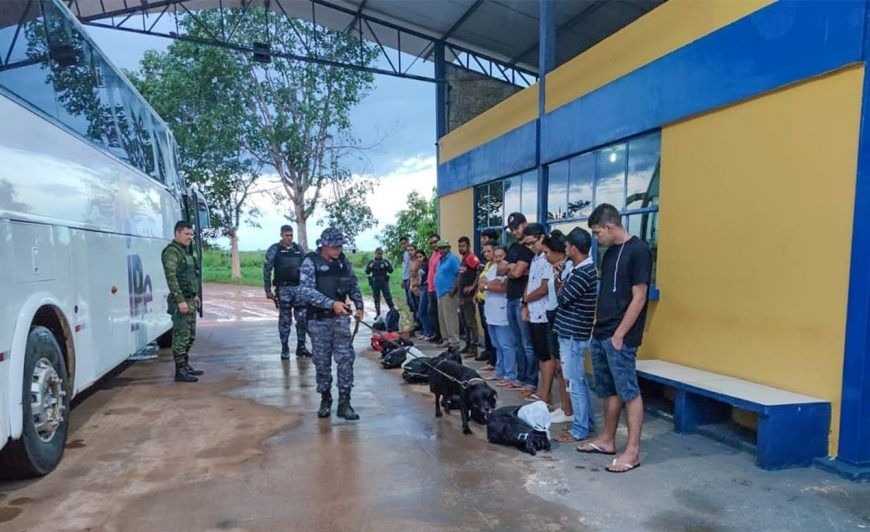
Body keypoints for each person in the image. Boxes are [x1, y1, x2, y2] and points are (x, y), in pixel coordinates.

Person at [578, 204, 652, 473]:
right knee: (607, 389)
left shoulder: (639, 250)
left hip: (621, 336)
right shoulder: (609, 254)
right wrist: (598, 323)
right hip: (602, 332)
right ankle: (608, 440)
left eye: (598, 233)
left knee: (629, 391)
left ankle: (632, 451)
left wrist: (620, 334)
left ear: (610, 226)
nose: (596, 238)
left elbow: (640, 296)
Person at [296, 227, 365, 420]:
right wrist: (331, 304)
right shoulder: (311, 262)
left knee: (345, 359)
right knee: (322, 362)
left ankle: (345, 402)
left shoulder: (343, 262)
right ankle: (325, 399)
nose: (338, 250)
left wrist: (359, 305)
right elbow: (306, 291)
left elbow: (353, 284)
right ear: (324, 245)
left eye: (340, 246)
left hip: (340, 320)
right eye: (334, 246)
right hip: (318, 321)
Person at [552, 227, 598, 443]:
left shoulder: (583, 273)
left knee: (575, 383)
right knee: (579, 381)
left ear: (576, 248)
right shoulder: (578, 269)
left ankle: (580, 429)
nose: (565, 249)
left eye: (568, 246)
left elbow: (562, 298)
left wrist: (558, 280)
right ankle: (586, 422)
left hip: (573, 334)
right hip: (571, 332)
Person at [498, 212, 536, 392]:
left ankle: (531, 380)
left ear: (525, 224)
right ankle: (520, 378)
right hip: (511, 297)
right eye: (511, 229)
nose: (514, 231)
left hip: (524, 300)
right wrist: (512, 268)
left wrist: (512, 268)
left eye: (517, 227)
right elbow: (500, 269)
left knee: (527, 344)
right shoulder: (513, 247)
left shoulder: (529, 248)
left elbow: (516, 273)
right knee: (516, 342)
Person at [521, 223, 558, 404]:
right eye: (527, 244)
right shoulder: (535, 259)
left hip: (545, 312)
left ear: (542, 237)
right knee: (541, 354)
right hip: (534, 312)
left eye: (532, 242)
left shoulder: (548, 258)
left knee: (547, 356)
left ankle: (546, 393)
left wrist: (527, 299)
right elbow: (531, 282)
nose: (530, 247)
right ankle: (543, 391)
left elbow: (543, 288)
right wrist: (525, 303)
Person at [161, 220, 203, 383]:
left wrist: (196, 295)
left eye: (191, 234)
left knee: (190, 336)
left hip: (190, 299)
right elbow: (171, 278)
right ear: (177, 233)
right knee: (181, 336)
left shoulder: (185, 251)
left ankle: (185, 365)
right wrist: (180, 301)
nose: (190, 237)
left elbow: (192, 276)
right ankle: (179, 370)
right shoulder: (172, 252)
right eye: (186, 234)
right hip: (181, 301)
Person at [263, 225, 310, 360]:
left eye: (291, 235)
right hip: (283, 289)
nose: (289, 238)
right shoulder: (275, 249)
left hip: (298, 289)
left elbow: (307, 267)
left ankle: (301, 347)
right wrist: (267, 290)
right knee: (285, 320)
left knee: (302, 318)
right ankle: (285, 347)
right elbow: (267, 269)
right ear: (281, 235)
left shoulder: (298, 249)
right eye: (286, 235)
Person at [478, 245, 519, 387]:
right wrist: (489, 284)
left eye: (501, 256)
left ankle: (510, 374)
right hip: (490, 311)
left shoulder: (507, 270)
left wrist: (488, 285)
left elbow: (502, 287)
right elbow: (480, 284)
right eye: (496, 256)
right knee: (497, 345)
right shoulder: (492, 268)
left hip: (502, 312)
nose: (498, 259)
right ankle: (500, 371)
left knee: (506, 345)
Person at [433, 240, 461, 351]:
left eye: (444, 248)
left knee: (450, 317)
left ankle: (454, 342)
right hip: (440, 292)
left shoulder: (452, 259)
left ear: (448, 248)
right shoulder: (441, 260)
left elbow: (459, 274)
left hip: (449, 292)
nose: (442, 250)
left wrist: (453, 289)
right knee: (442, 318)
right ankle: (446, 339)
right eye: (440, 248)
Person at [457, 236, 482, 357]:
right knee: (464, 321)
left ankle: (474, 347)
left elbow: (479, 270)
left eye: (463, 246)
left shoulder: (471, 257)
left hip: (469, 296)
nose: (461, 248)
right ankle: (467, 344)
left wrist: (473, 286)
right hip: (462, 295)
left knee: (470, 321)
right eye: (460, 246)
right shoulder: (464, 259)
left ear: (469, 246)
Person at [477, 229, 499, 363]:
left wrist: (485, 285)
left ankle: (494, 361)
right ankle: (491, 358)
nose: (486, 254)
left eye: (489, 251)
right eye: (484, 252)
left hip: (491, 302)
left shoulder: (498, 265)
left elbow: (493, 283)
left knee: (495, 336)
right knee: (487, 331)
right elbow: (480, 280)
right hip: (482, 299)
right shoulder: (488, 264)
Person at [365, 247, 394, 317]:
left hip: (384, 281)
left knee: (388, 296)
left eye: (380, 254)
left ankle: (393, 311)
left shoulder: (385, 261)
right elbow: (367, 272)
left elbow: (391, 270)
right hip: (375, 282)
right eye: (378, 254)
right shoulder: (372, 262)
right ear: (375, 254)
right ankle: (378, 313)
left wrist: (387, 266)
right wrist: (370, 267)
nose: (379, 255)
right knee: (376, 298)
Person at [425, 234, 443, 342]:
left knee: (437, 313)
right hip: (430, 287)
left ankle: (440, 335)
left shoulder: (442, 255)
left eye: (435, 241)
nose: (433, 244)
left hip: (437, 288)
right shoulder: (433, 254)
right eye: (431, 243)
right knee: (432, 312)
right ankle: (436, 333)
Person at [415, 250, 435, 338]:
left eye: (420, 257)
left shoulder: (426, 265)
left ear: (424, 256)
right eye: (417, 257)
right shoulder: (420, 266)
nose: (419, 259)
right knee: (422, 311)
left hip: (426, 287)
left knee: (422, 311)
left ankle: (429, 332)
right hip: (422, 288)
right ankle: (426, 331)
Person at [400, 236, 417, 316]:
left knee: (412, 300)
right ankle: (414, 318)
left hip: (410, 279)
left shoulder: (410, 254)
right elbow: (405, 268)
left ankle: (417, 319)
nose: (403, 245)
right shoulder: (405, 254)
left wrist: (410, 279)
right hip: (406, 279)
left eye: (404, 243)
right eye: (402, 244)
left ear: (408, 242)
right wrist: (403, 279)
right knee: (409, 300)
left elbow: (411, 268)